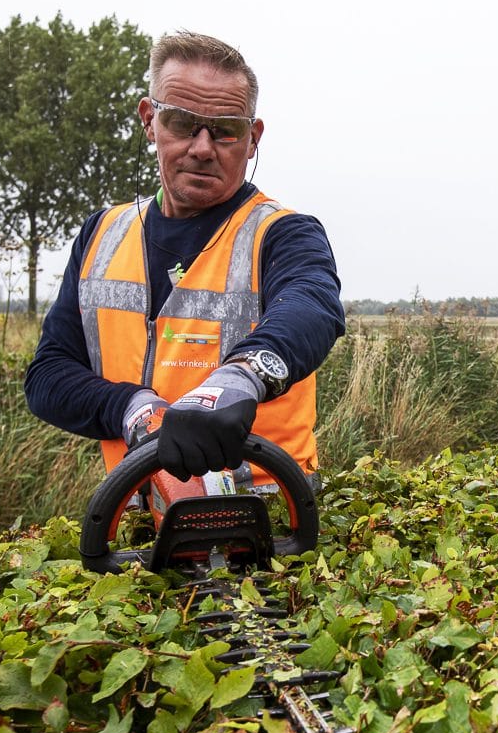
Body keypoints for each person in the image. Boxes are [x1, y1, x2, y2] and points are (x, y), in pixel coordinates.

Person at [25, 31, 344, 488]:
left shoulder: (283, 234)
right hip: (136, 514)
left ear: (252, 139)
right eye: (181, 122)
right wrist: (130, 408)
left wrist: (243, 377)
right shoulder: (101, 235)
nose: (201, 147)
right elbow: (49, 376)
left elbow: (312, 307)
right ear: (149, 121)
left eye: (225, 130)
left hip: (268, 511)